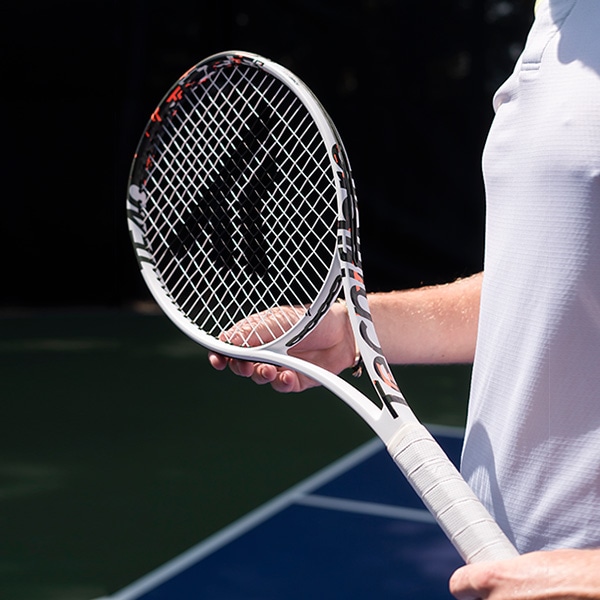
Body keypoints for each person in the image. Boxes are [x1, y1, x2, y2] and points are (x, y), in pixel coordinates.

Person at [210, 0, 600, 597]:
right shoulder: (556, 22)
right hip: (506, 569)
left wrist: (587, 575)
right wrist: (358, 329)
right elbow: (552, 285)